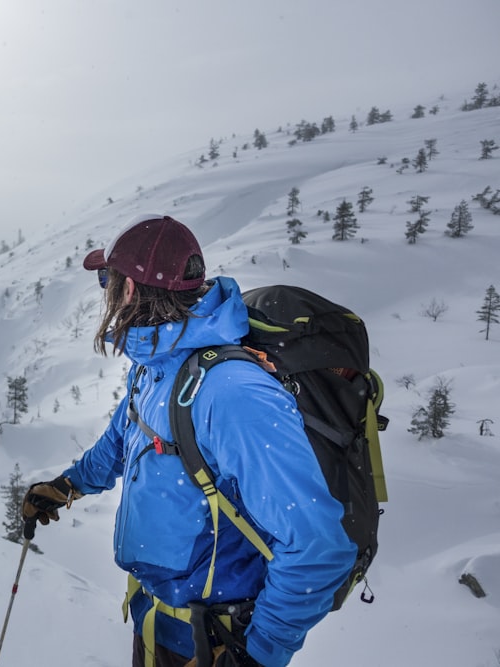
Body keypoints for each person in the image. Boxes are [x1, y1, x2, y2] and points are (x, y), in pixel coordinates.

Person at [22, 214, 356, 667]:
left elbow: (319, 546)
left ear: (130, 290)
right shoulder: (159, 365)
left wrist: (254, 657)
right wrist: (67, 487)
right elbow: (123, 437)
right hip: (160, 625)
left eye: (107, 278)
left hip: (213, 642)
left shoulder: (230, 392)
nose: (104, 290)